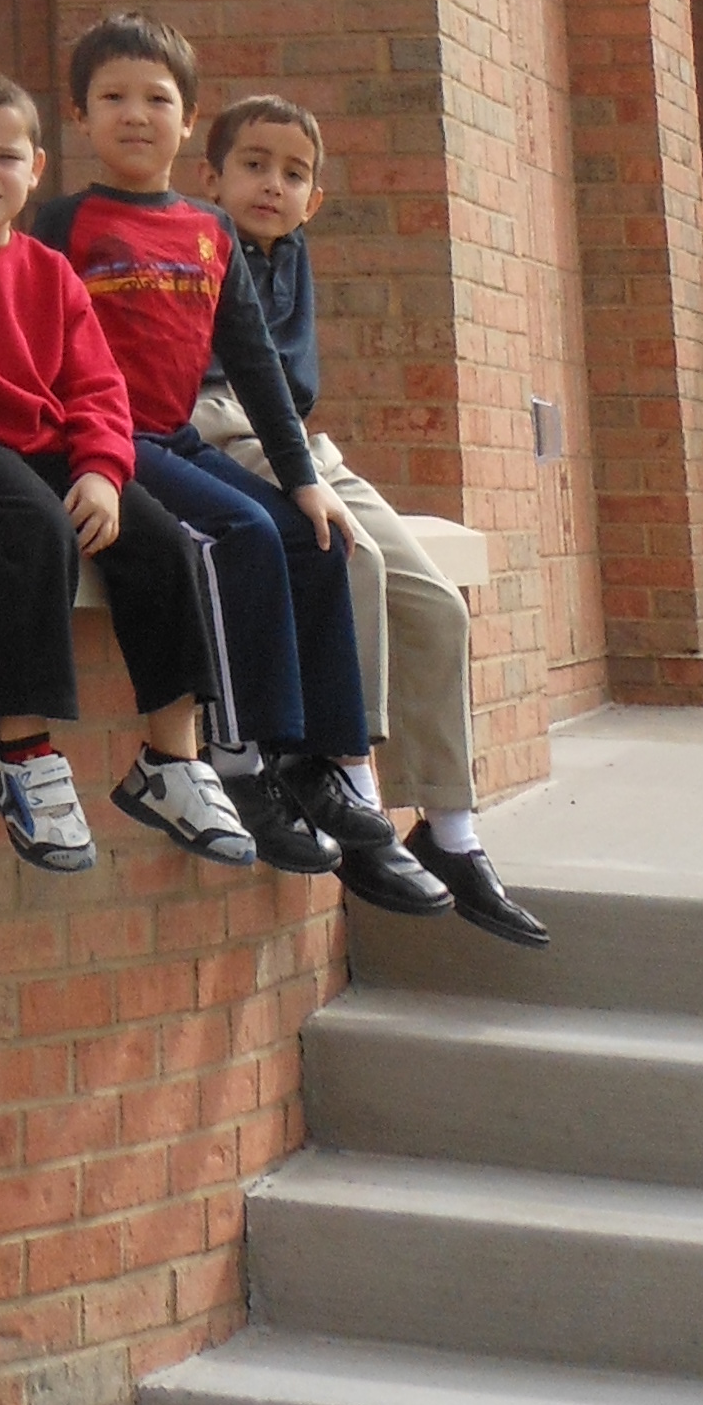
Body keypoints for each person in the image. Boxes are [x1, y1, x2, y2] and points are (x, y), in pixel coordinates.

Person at [29, 11, 449, 916]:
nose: (135, 115)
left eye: (157, 99)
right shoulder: (62, 222)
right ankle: (236, 758)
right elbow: (27, 343)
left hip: (174, 436)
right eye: (113, 99)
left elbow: (257, 368)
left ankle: (331, 763)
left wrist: (303, 477)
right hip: (104, 442)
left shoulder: (209, 232)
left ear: (188, 123)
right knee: (239, 532)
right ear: (80, 114)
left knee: (308, 532)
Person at [0, 65, 255, 874]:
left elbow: (97, 388)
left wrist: (105, 471)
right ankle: (22, 755)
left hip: (45, 445)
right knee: (36, 532)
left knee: (160, 541)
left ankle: (170, 763)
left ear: (36, 168)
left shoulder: (49, 271)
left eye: (4, 156)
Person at [194, 92, 550, 946]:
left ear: (314, 199)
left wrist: (303, 456)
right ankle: (344, 775)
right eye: (252, 165)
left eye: (293, 173)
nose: (272, 185)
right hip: (216, 417)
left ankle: (452, 831)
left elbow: (296, 388)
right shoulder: (197, 244)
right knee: (349, 554)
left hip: (299, 437)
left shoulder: (293, 255)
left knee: (437, 605)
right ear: (210, 178)